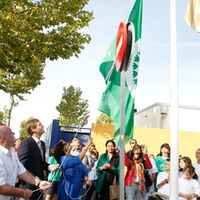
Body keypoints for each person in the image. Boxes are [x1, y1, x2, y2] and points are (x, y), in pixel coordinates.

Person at [0, 125, 51, 200]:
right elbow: (1, 187)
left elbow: (21, 171)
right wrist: (22, 192)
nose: (14, 134)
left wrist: (38, 182)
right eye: (11, 133)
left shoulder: (12, 152)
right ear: (4, 138)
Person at [18, 118, 57, 200]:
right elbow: (20, 165)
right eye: (40, 124)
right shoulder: (27, 143)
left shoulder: (42, 144)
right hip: (27, 187)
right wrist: (33, 179)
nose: (43, 126)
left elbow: (41, 163)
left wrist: (49, 167)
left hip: (39, 186)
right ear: (33, 129)